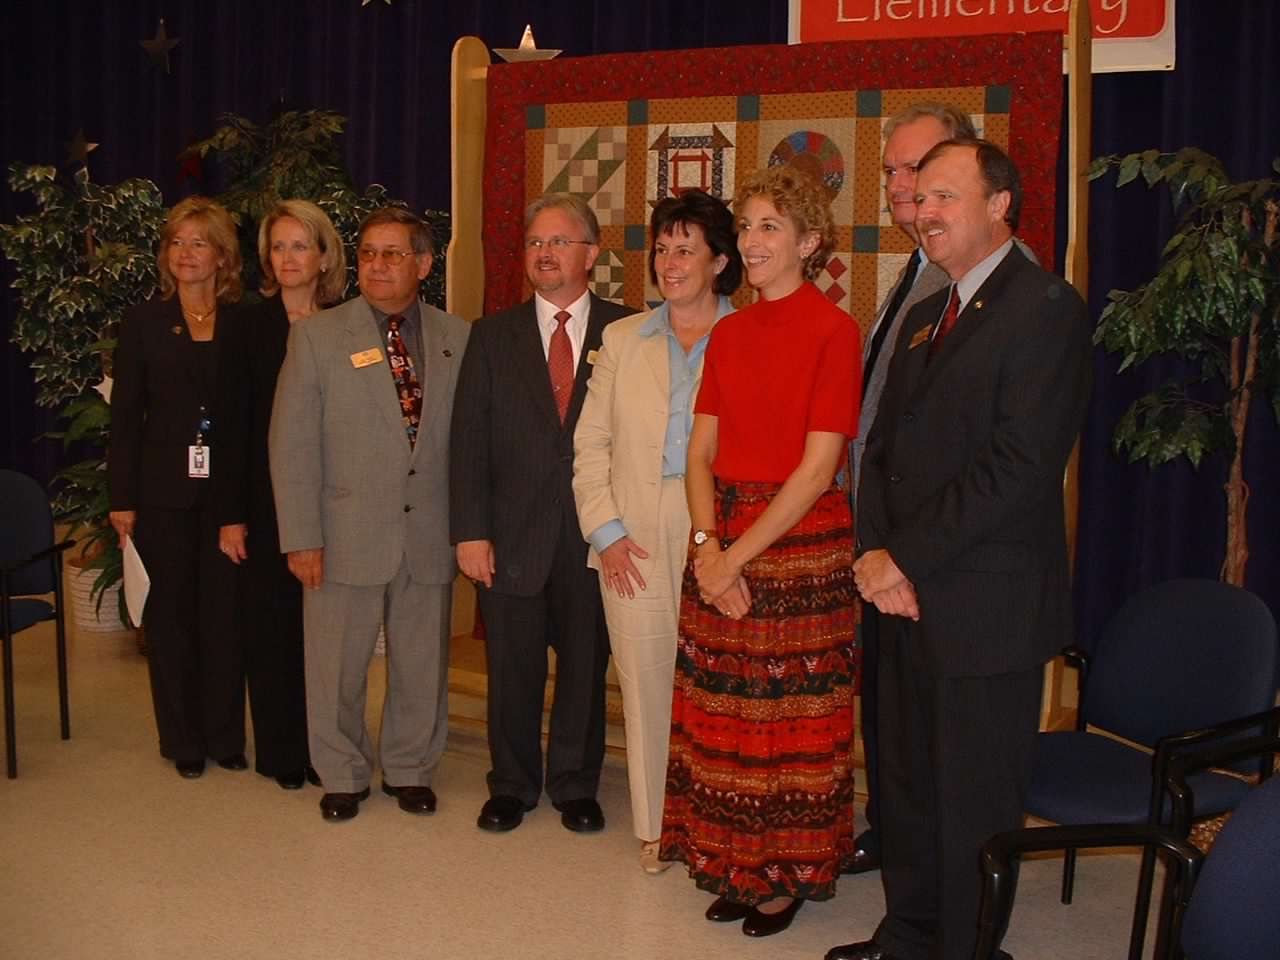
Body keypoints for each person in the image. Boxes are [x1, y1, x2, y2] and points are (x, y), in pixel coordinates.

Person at [827, 140, 1092, 960]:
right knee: (905, 790)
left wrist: (901, 559)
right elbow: (880, 452)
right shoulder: (922, 313)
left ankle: (966, 948)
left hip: (984, 609)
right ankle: (908, 934)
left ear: (1001, 205)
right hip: (899, 600)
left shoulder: (1045, 307)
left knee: (972, 801)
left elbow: (1018, 467)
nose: (926, 211)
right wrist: (878, 561)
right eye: (919, 196)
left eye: (946, 195)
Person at [660, 165, 862, 939]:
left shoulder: (834, 331)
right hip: (724, 533)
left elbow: (818, 470)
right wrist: (710, 546)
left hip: (798, 544)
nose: (751, 241)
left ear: (811, 243)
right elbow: (700, 453)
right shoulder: (729, 333)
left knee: (787, 726)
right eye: (745, 227)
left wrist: (733, 557)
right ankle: (732, 863)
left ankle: (783, 877)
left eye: (770, 227)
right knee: (724, 718)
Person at [269, 207, 469, 822]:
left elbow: (469, 441)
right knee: (336, 665)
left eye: (393, 253)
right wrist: (300, 536)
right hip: (342, 532)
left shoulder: (458, 337)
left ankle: (411, 768)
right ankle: (342, 772)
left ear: (425, 264)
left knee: (421, 663)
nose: (378, 264)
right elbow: (291, 443)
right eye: (369, 253)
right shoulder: (317, 337)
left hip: (428, 530)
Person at [450, 193, 634, 835]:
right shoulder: (491, 335)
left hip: (595, 537)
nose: (544, 253)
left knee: (586, 666)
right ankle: (511, 785)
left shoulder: (628, 330)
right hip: (511, 536)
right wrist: (470, 531)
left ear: (592, 252)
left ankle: (575, 785)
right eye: (534, 243)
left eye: (559, 241)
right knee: (513, 667)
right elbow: (469, 440)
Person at [573, 190, 743, 873]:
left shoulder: (750, 336)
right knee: (643, 681)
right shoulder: (620, 338)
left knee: (718, 686)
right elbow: (590, 445)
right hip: (633, 534)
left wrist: (731, 547)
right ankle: (656, 827)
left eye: (686, 250)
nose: (670, 263)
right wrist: (606, 533)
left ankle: (714, 820)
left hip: (722, 535)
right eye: (663, 249)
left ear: (720, 262)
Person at [848, 103, 977, 876]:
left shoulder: (971, 287)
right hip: (880, 541)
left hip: (925, 554)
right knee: (888, 719)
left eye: (919, 170)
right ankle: (892, 836)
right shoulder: (913, 273)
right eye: (893, 171)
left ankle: (927, 872)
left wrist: (904, 551)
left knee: (927, 730)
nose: (903, 186)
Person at [108, 196, 246, 780]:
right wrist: (121, 498)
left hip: (229, 493)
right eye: (176, 243)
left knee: (224, 616)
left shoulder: (245, 319)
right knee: (170, 620)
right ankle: (183, 740)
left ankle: (224, 736)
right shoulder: (144, 321)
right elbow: (126, 416)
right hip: (162, 491)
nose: (185, 254)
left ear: (222, 256)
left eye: (198, 243)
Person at [212, 200, 346, 790]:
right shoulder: (243, 324)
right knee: (271, 631)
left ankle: (330, 750)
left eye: (300, 246)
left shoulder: (353, 322)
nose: (287, 258)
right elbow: (230, 425)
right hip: (265, 504)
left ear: (323, 256)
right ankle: (282, 754)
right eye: (277, 247)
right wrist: (231, 516)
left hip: (338, 503)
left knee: (326, 638)